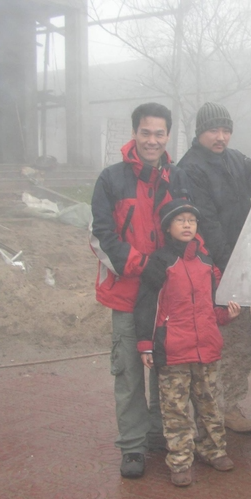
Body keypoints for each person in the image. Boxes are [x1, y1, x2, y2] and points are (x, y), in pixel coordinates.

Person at [90, 102, 191, 479]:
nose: (152, 140)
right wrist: (142, 265)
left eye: (159, 133)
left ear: (168, 136)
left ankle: (158, 431)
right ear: (134, 133)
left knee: (166, 368)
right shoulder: (111, 179)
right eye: (145, 132)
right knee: (130, 372)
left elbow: (187, 227)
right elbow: (100, 237)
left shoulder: (178, 178)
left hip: (168, 294)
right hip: (128, 294)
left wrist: (162, 264)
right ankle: (132, 446)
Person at [177, 102, 251, 433]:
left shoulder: (233, 158)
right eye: (214, 130)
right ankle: (211, 409)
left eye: (226, 130)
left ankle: (228, 405)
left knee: (240, 342)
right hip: (210, 269)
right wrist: (229, 267)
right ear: (200, 132)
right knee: (216, 341)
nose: (221, 137)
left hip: (236, 265)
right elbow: (207, 223)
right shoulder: (191, 169)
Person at [134, 199, 241, 487]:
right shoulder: (160, 262)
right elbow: (145, 305)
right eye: (180, 220)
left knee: (209, 405)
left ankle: (213, 450)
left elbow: (215, 306)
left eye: (191, 221)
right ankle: (180, 461)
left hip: (206, 348)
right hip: (173, 351)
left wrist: (226, 315)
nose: (186, 225)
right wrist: (145, 343)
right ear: (168, 228)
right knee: (175, 410)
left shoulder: (207, 263)